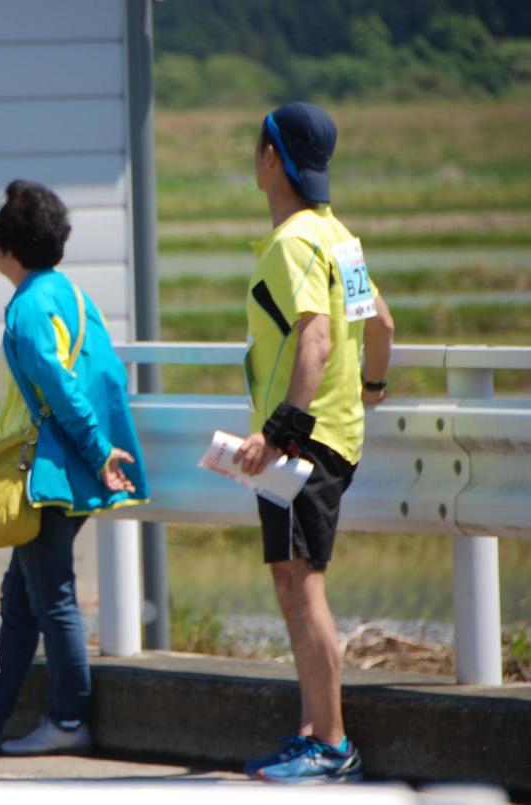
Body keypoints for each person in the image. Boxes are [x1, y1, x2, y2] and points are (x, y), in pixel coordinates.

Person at [0, 180, 150, 757]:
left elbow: (62, 388)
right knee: (21, 602)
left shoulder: (23, 311)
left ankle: (69, 719)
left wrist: (97, 451)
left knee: (54, 600)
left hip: (50, 473)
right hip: (71, 469)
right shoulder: (72, 296)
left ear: (5, 249)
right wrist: (104, 449)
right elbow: (104, 379)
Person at [233, 102, 394, 784]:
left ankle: (330, 746)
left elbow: (317, 334)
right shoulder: (338, 236)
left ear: (273, 158)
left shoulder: (293, 241)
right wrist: (373, 387)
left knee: (304, 586)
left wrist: (282, 430)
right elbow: (380, 322)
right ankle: (311, 729)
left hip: (303, 443)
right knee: (291, 579)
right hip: (337, 433)